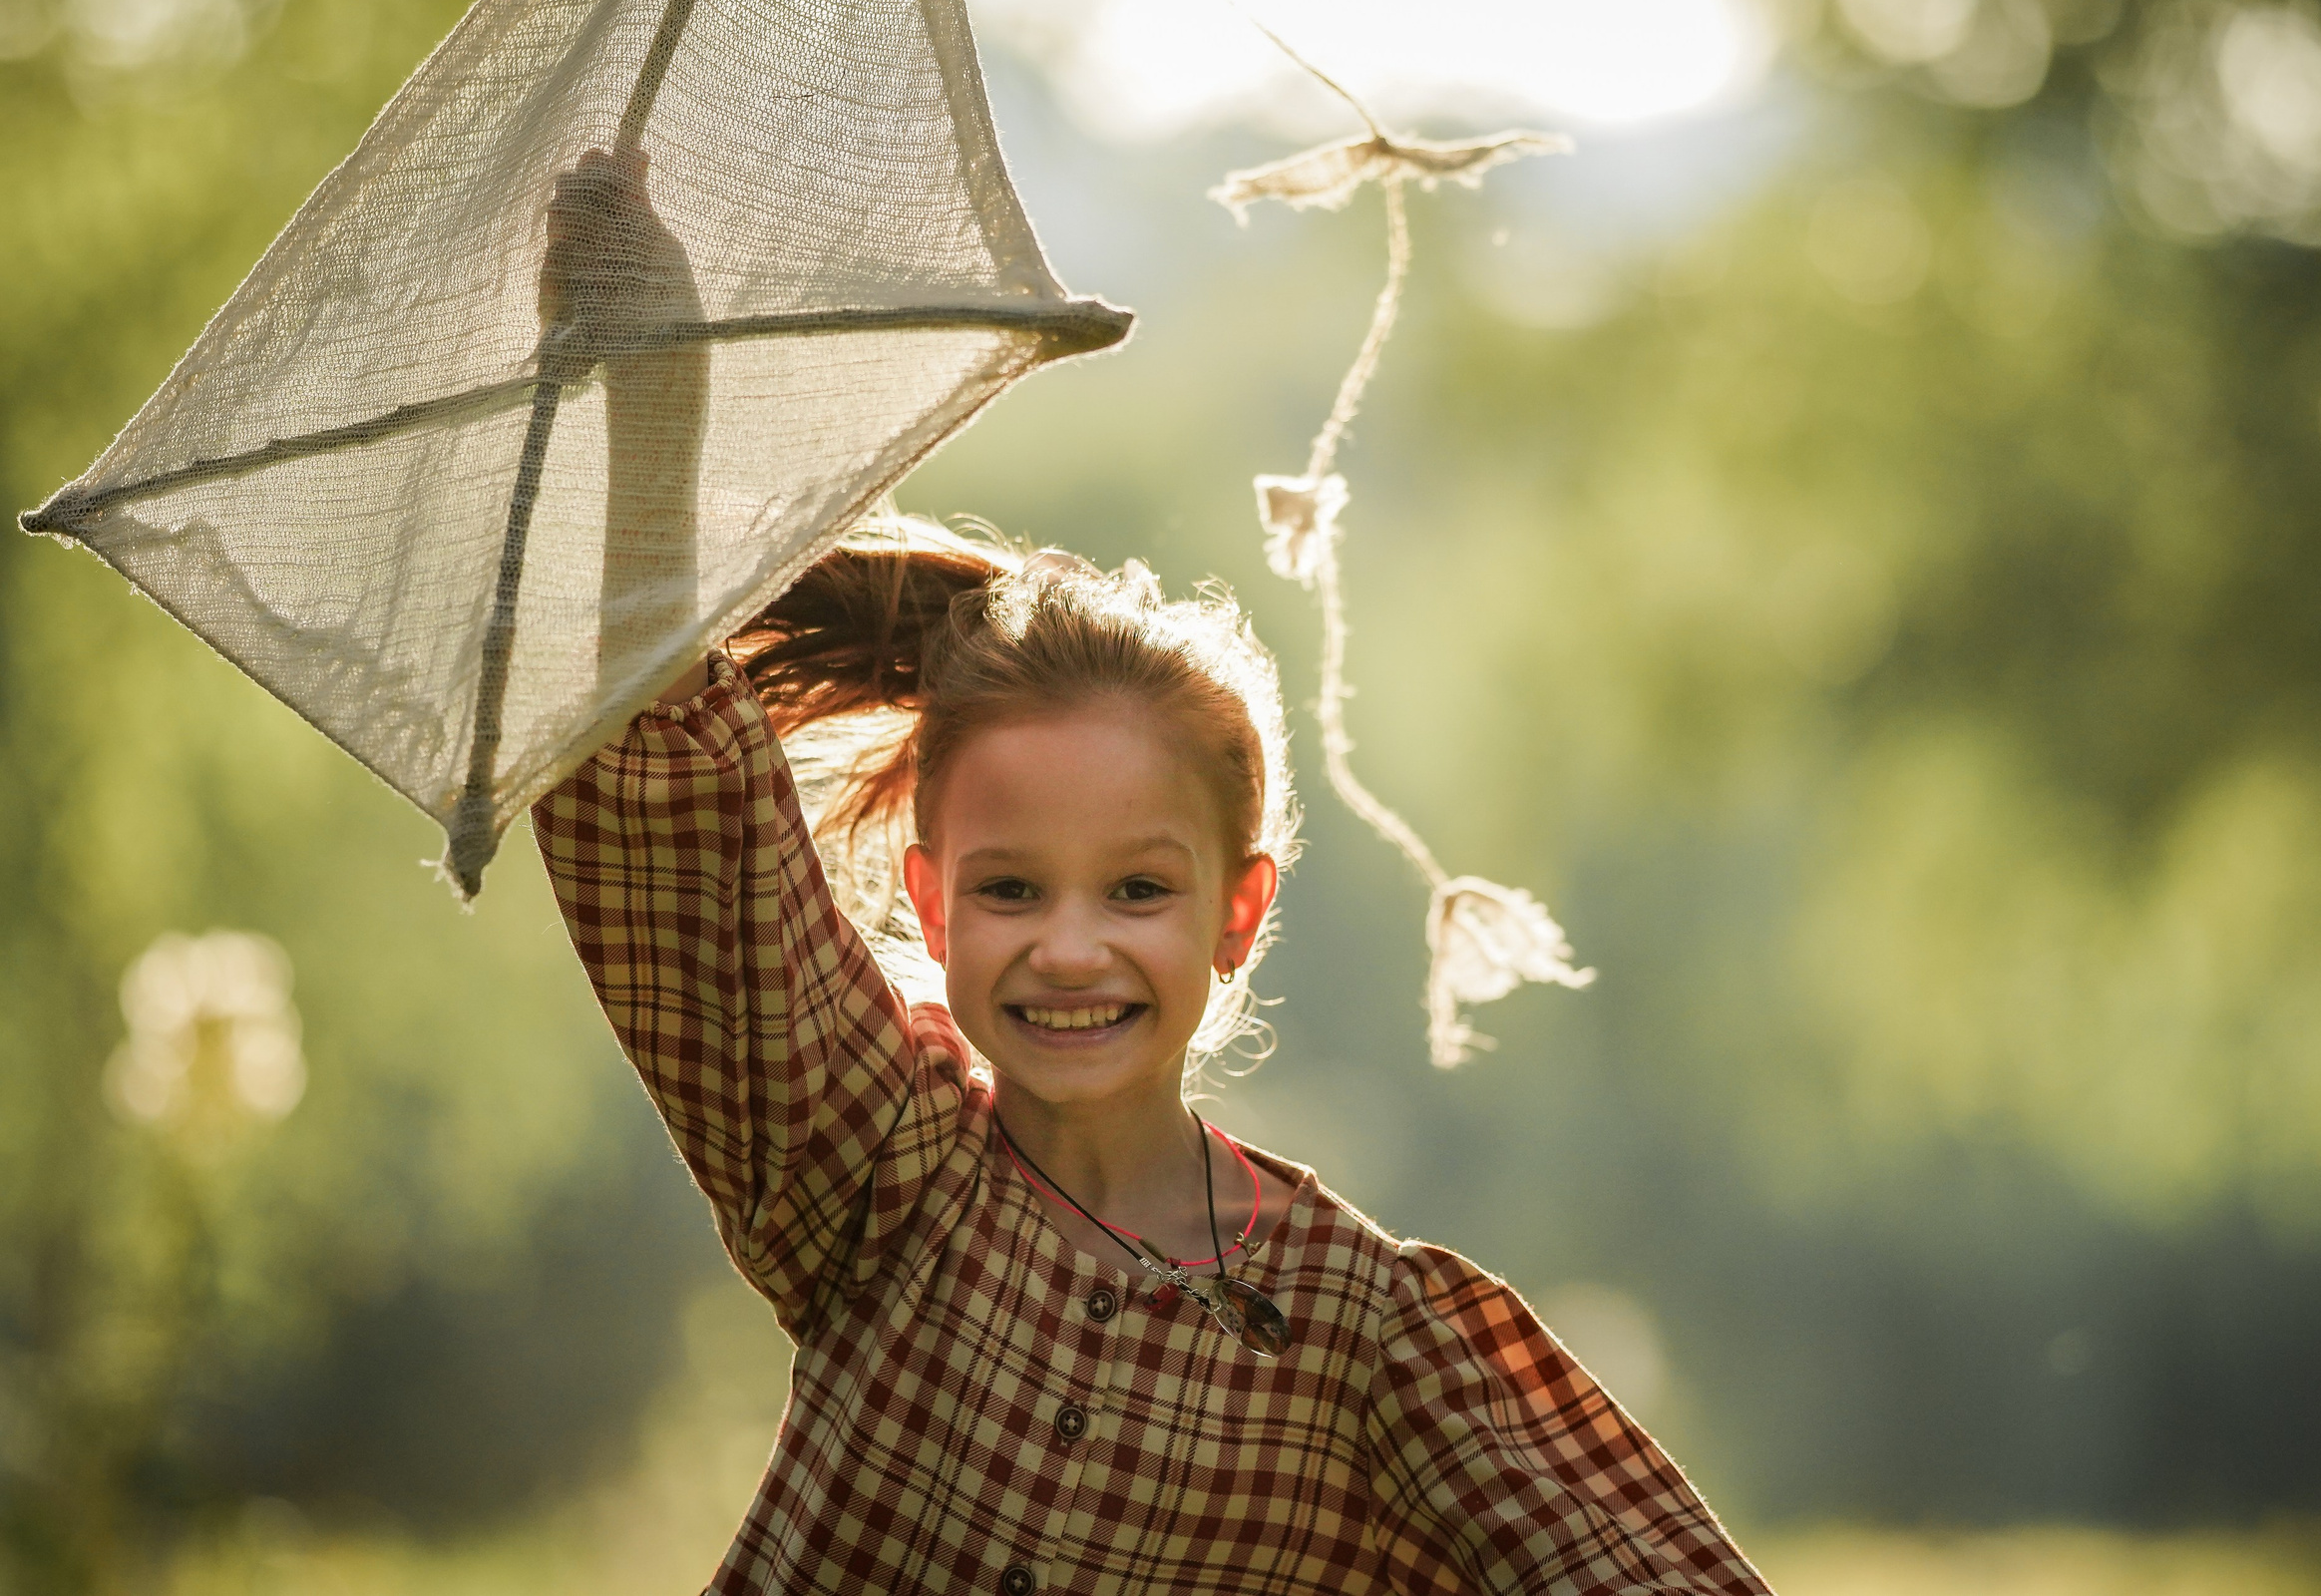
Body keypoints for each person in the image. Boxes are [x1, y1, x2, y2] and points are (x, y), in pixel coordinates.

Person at [534, 150, 1774, 1594]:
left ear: (1235, 913)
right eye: (1010, 891)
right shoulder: (879, 1168)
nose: (1070, 950)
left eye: (1136, 892)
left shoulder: (1366, 1336)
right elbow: (687, 835)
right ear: (929, 907)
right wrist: (652, 410)